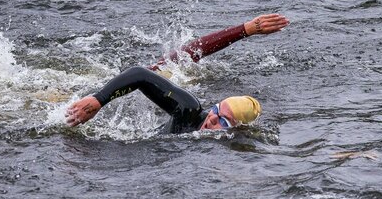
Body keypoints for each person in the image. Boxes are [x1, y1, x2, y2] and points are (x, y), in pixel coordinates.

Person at [65, 13, 290, 132]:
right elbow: (143, 73)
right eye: (216, 111)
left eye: (224, 121)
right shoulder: (189, 111)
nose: (212, 119)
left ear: (238, 131)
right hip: (89, 93)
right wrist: (98, 100)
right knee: (167, 68)